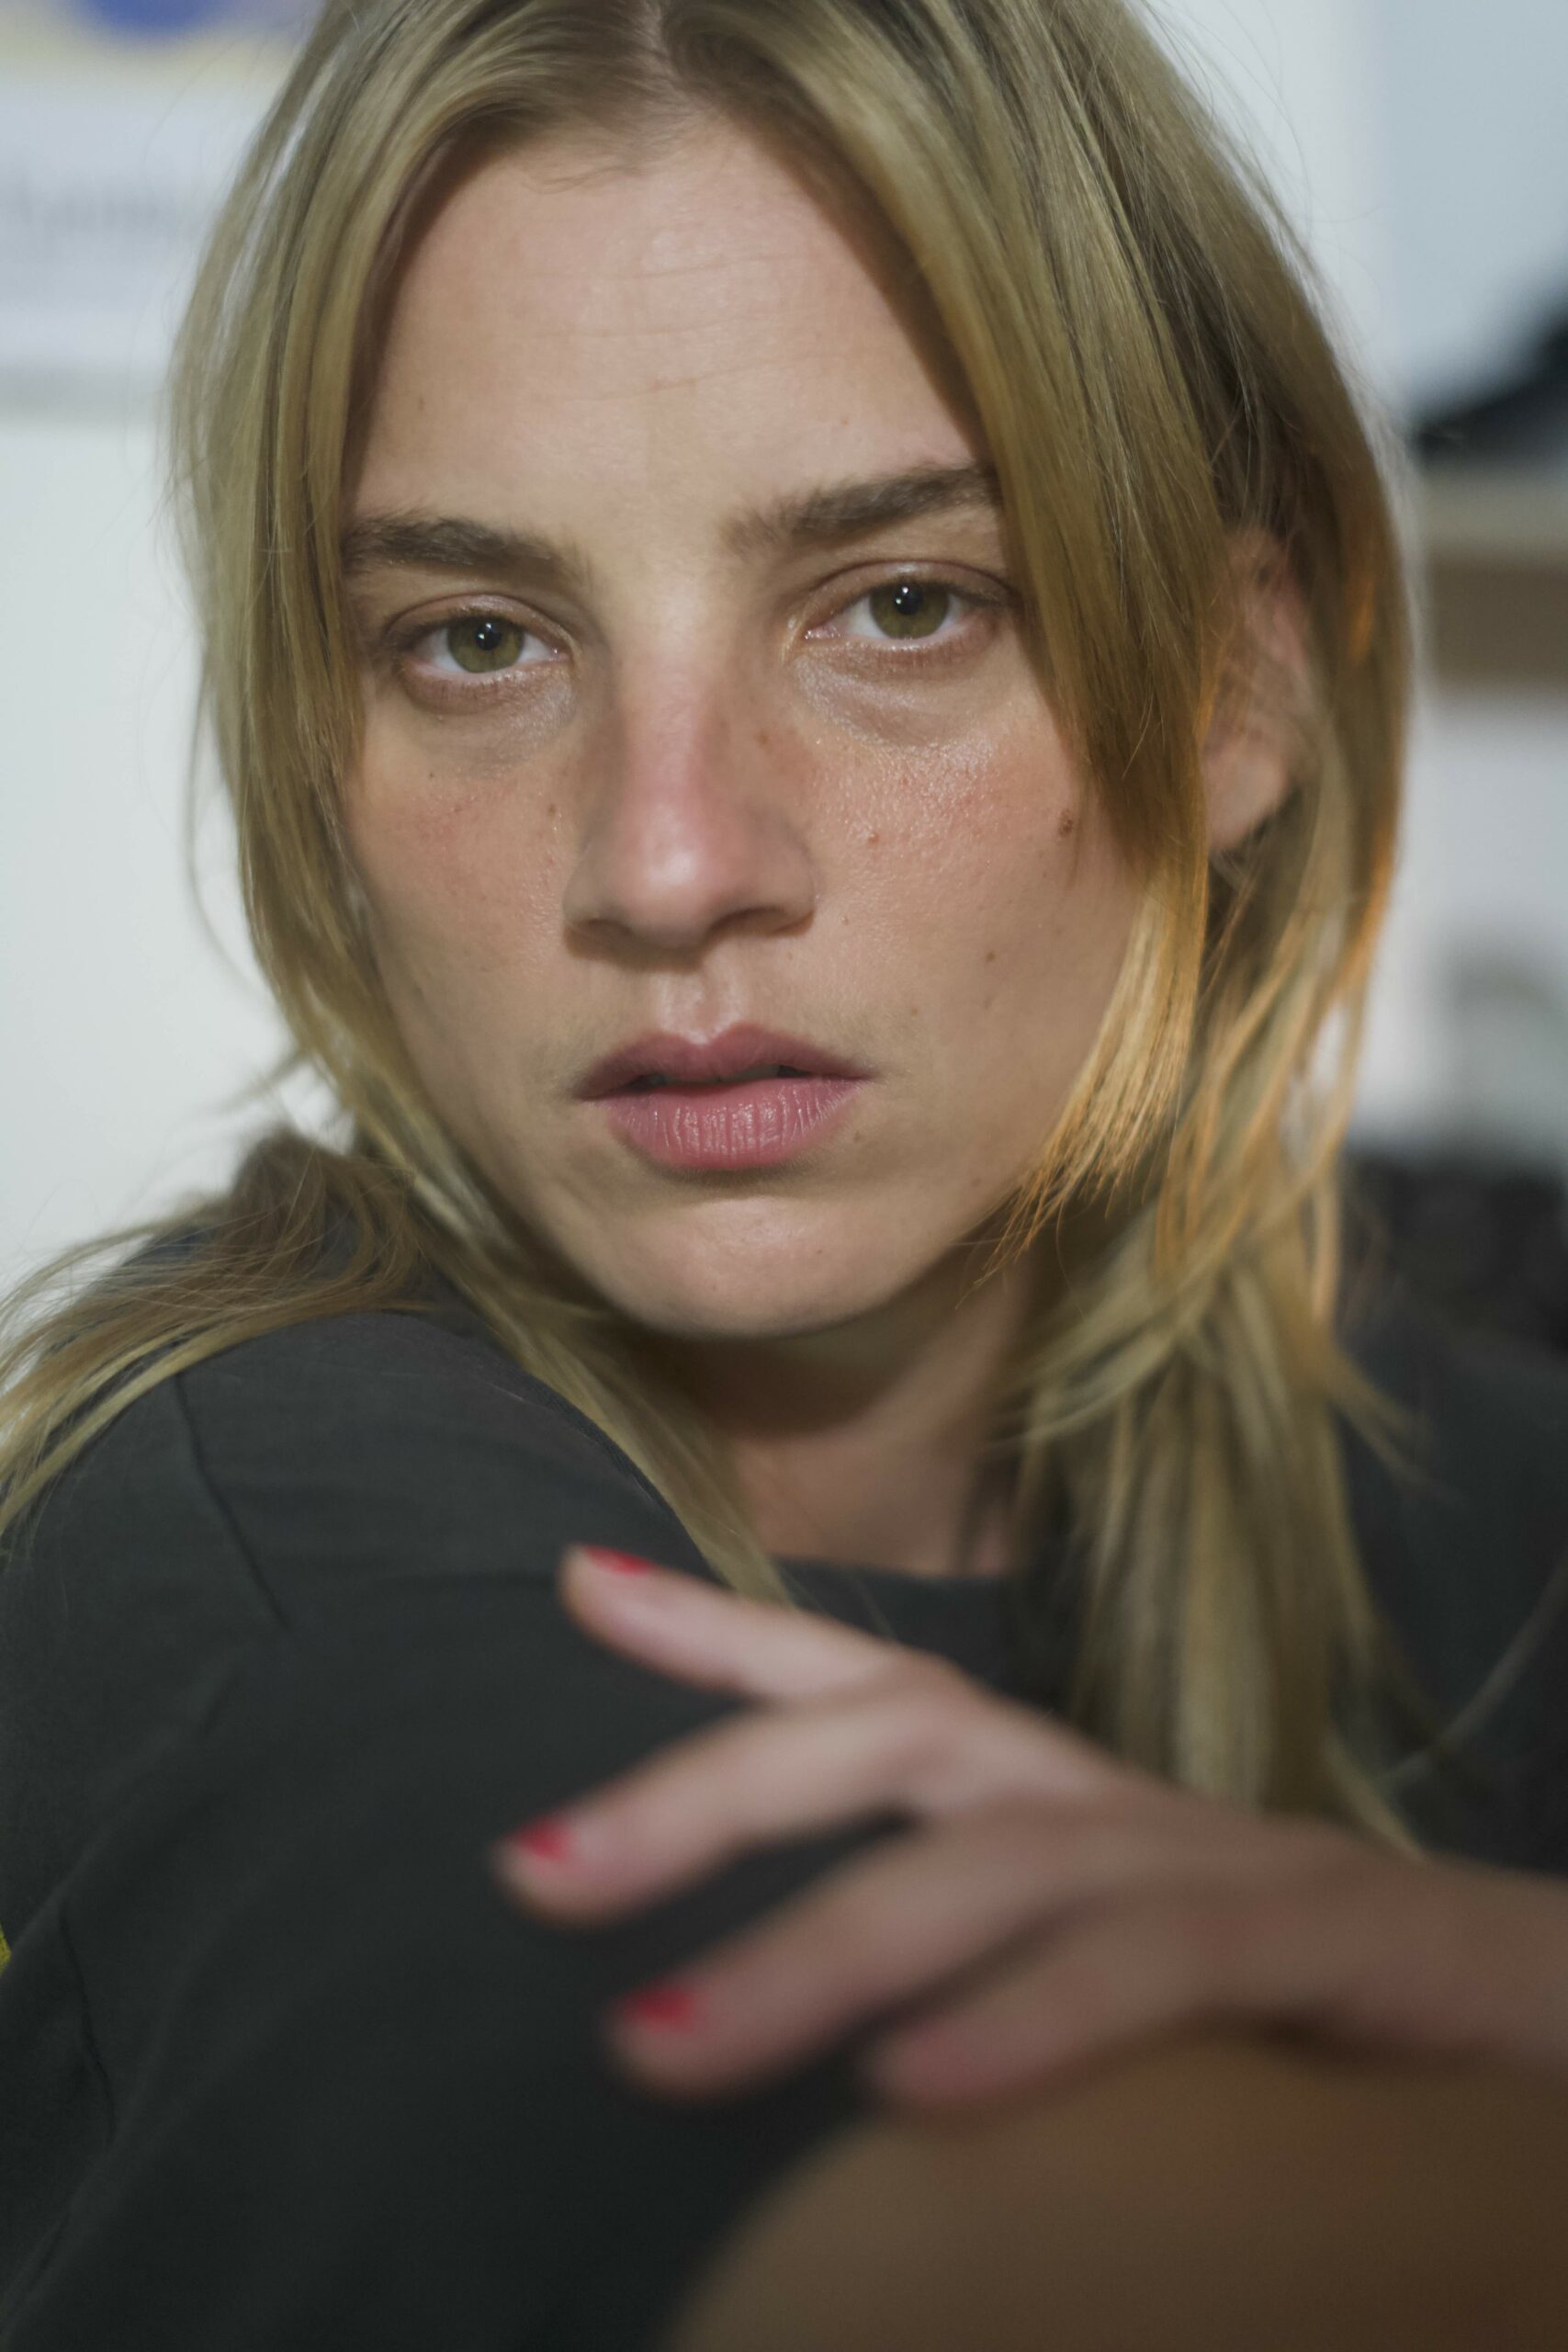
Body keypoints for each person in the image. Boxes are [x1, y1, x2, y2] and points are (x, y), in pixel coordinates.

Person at [2, 0, 1567, 2346]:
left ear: (1231, 689)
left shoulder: (1484, 1508)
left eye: (899, 603)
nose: (665, 860)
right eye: (475, 639)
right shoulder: (239, 1540)